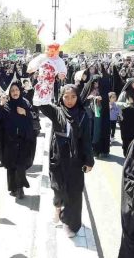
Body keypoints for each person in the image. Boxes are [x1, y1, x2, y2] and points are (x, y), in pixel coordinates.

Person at [36, 84, 94, 238]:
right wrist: (44, 80)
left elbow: (86, 140)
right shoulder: (56, 111)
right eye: (66, 97)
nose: (69, 100)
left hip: (76, 160)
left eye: (73, 97)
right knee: (59, 189)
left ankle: (70, 224)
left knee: (74, 193)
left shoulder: (83, 115)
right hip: (59, 158)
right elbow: (40, 103)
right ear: (61, 97)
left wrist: (89, 161)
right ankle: (58, 208)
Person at [0, 81, 36, 199]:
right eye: (12, 91)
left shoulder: (26, 103)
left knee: (20, 165)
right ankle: (13, 188)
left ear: (20, 91)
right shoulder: (5, 105)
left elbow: (35, 119)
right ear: (9, 93)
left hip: (24, 141)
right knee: (11, 166)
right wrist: (0, 107)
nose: (15, 92)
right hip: (9, 142)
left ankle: (20, 188)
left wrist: (26, 113)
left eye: (16, 90)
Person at [117, 78, 134, 156]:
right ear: (130, 85)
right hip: (126, 118)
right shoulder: (125, 93)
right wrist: (127, 104)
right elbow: (118, 104)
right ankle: (126, 153)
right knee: (126, 136)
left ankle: (133, 153)